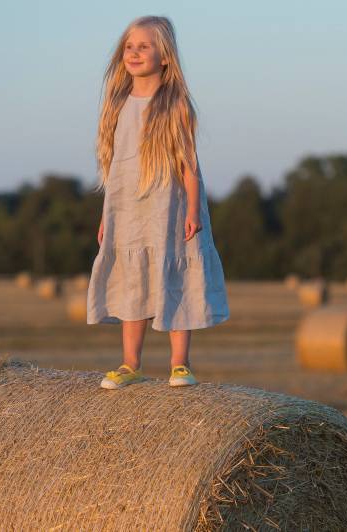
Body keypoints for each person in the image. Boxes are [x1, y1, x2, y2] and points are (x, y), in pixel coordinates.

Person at [87, 15, 230, 390]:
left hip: (170, 209)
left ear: (164, 56)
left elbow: (189, 165)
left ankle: (180, 364)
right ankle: (130, 363)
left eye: (144, 46)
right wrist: (107, 217)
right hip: (128, 210)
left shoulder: (174, 104)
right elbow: (113, 170)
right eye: (129, 46)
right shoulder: (117, 103)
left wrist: (194, 211)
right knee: (132, 282)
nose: (134, 52)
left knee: (176, 277)